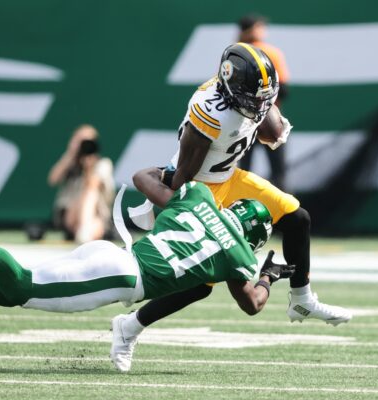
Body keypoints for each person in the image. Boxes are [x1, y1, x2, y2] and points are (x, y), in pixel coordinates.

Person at [0, 168, 295, 373]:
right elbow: (252, 305)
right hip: (122, 278)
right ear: (254, 237)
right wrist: (268, 276)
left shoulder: (200, 196)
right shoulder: (239, 253)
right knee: (21, 286)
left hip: (109, 252)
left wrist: (175, 177)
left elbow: (142, 177)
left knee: (16, 291)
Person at [115, 43, 352, 371]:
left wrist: (270, 117)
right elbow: (183, 175)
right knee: (200, 286)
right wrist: (187, 210)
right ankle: (129, 327)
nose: (260, 105)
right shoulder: (210, 113)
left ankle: (302, 300)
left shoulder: (249, 95)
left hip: (229, 176)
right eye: (255, 99)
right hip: (200, 189)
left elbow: (270, 130)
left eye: (264, 98)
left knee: (297, 218)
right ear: (232, 91)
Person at [237, 13, 290, 190]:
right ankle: (282, 206)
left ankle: (241, 203)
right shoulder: (270, 53)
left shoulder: (233, 53)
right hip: (269, 120)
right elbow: (283, 89)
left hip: (241, 121)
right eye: (260, 27)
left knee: (243, 172)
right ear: (253, 29)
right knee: (278, 173)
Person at [47, 124, 115, 242]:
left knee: (94, 223)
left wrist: (89, 168)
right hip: (71, 214)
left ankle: (84, 231)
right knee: (87, 229)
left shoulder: (103, 164)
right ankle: (84, 231)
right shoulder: (70, 164)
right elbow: (53, 180)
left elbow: (93, 185)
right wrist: (70, 153)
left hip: (96, 215)